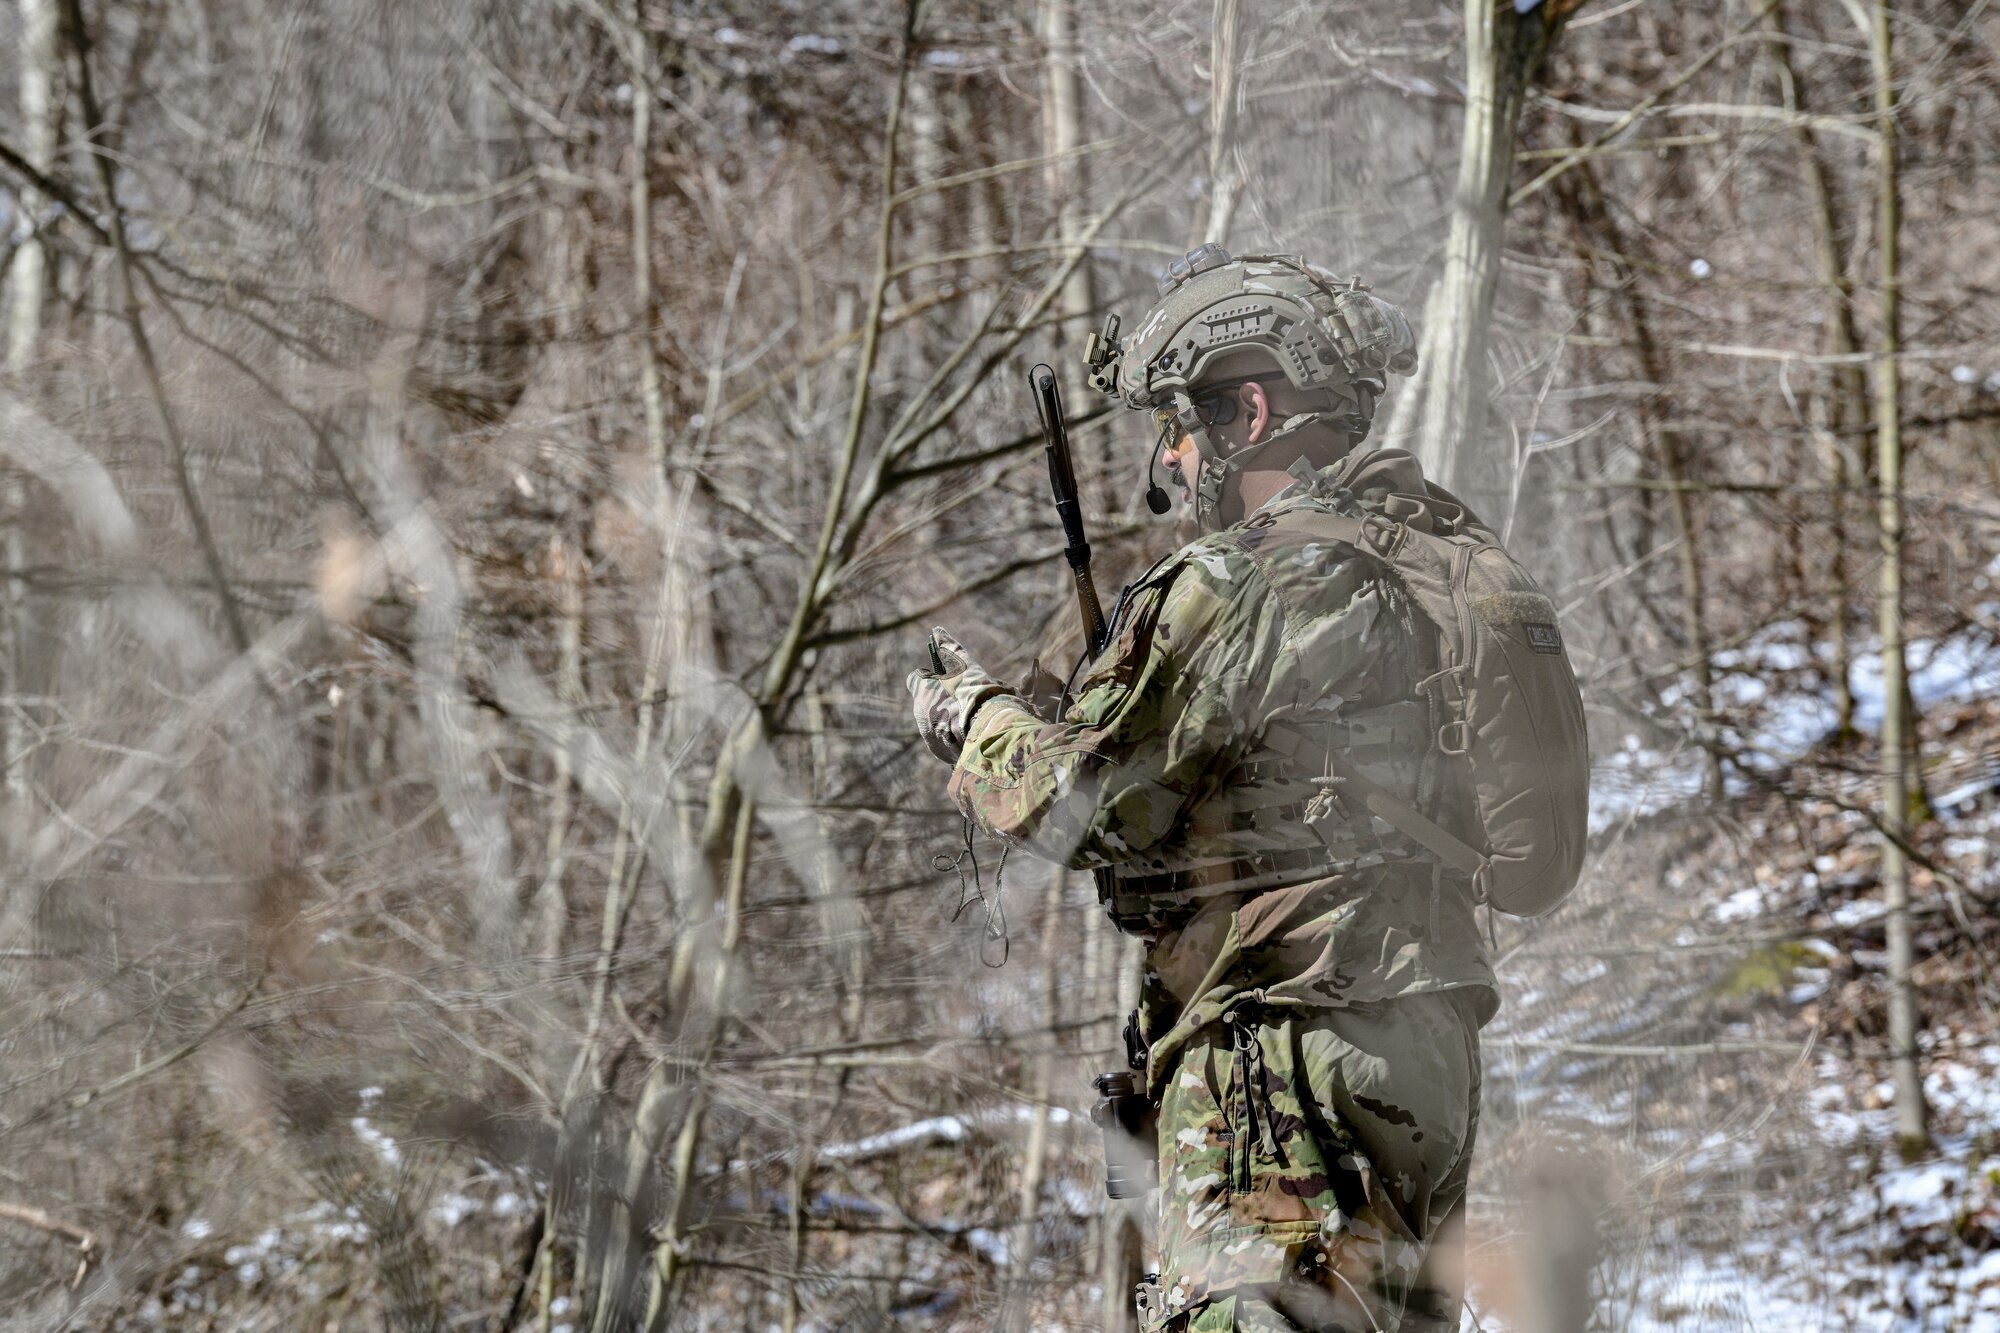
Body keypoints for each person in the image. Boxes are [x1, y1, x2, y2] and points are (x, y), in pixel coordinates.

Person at [909, 247, 1501, 1332]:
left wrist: (967, 717)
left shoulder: (1239, 584)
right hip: (1427, 1046)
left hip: (1276, 1046)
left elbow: (1080, 801)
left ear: (1249, 408)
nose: (1167, 466)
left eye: (1174, 428)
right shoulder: (1426, 558)